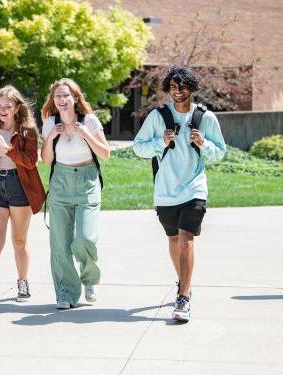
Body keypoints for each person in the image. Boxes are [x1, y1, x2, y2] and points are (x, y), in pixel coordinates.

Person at [133, 65, 226, 322]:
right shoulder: (157, 116)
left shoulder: (205, 117)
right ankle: (184, 283)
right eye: (173, 87)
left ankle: (183, 297)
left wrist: (203, 144)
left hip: (194, 188)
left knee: (186, 238)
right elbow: (138, 148)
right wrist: (160, 142)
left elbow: (220, 152)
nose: (178, 91)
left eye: (182, 87)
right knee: (173, 240)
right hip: (165, 192)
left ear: (192, 88)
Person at [0, 85, 46, 308]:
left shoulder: (27, 130)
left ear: (16, 108)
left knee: (19, 241)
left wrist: (7, 148)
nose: (3, 110)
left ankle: (23, 282)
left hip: (19, 185)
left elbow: (31, 162)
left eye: (8, 106)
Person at [40, 78, 110, 309]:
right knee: (59, 243)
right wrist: (50, 137)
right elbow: (47, 159)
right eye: (57, 96)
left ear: (75, 98)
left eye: (66, 96)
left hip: (87, 182)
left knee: (85, 238)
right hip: (60, 181)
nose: (61, 100)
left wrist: (85, 135)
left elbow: (105, 153)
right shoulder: (50, 123)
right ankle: (65, 293)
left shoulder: (89, 121)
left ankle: (89, 279)